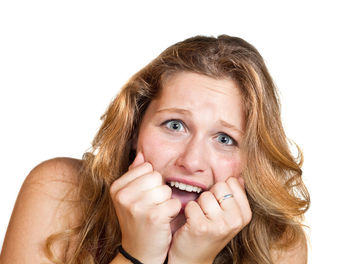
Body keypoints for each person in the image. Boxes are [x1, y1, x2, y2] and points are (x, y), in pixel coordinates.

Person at [0, 35, 310, 264]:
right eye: (175, 125)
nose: (191, 161)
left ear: (249, 161)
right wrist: (137, 254)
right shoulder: (60, 190)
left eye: (225, 139)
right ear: (135, 127)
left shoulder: (278, 246)